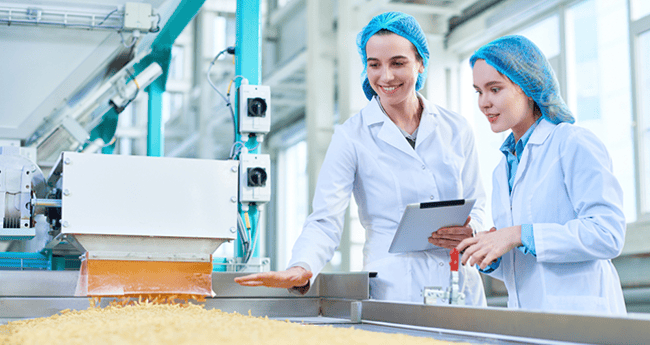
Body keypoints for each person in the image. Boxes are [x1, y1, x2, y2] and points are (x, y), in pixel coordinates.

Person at [236, 12, 487, 305]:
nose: (386, 76)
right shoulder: (352, 136)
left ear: (420, 63)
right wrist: (301, 267)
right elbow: (325, 218)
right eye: (374, 65)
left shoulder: (455, 127)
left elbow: (477, 202)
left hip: (459, 282)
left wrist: (473, 229)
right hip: (396, 290)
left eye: (398, 63)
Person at [457, 35, 626, 314]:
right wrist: (490, 252)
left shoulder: (572, 143)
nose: (484, 102)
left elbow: (607, 234)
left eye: (495, 89)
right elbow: (526, 267)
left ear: (526, 85)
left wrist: (519, 235)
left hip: (582, 318)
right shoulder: (503, 168)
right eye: (479, 91)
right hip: (527, 320)